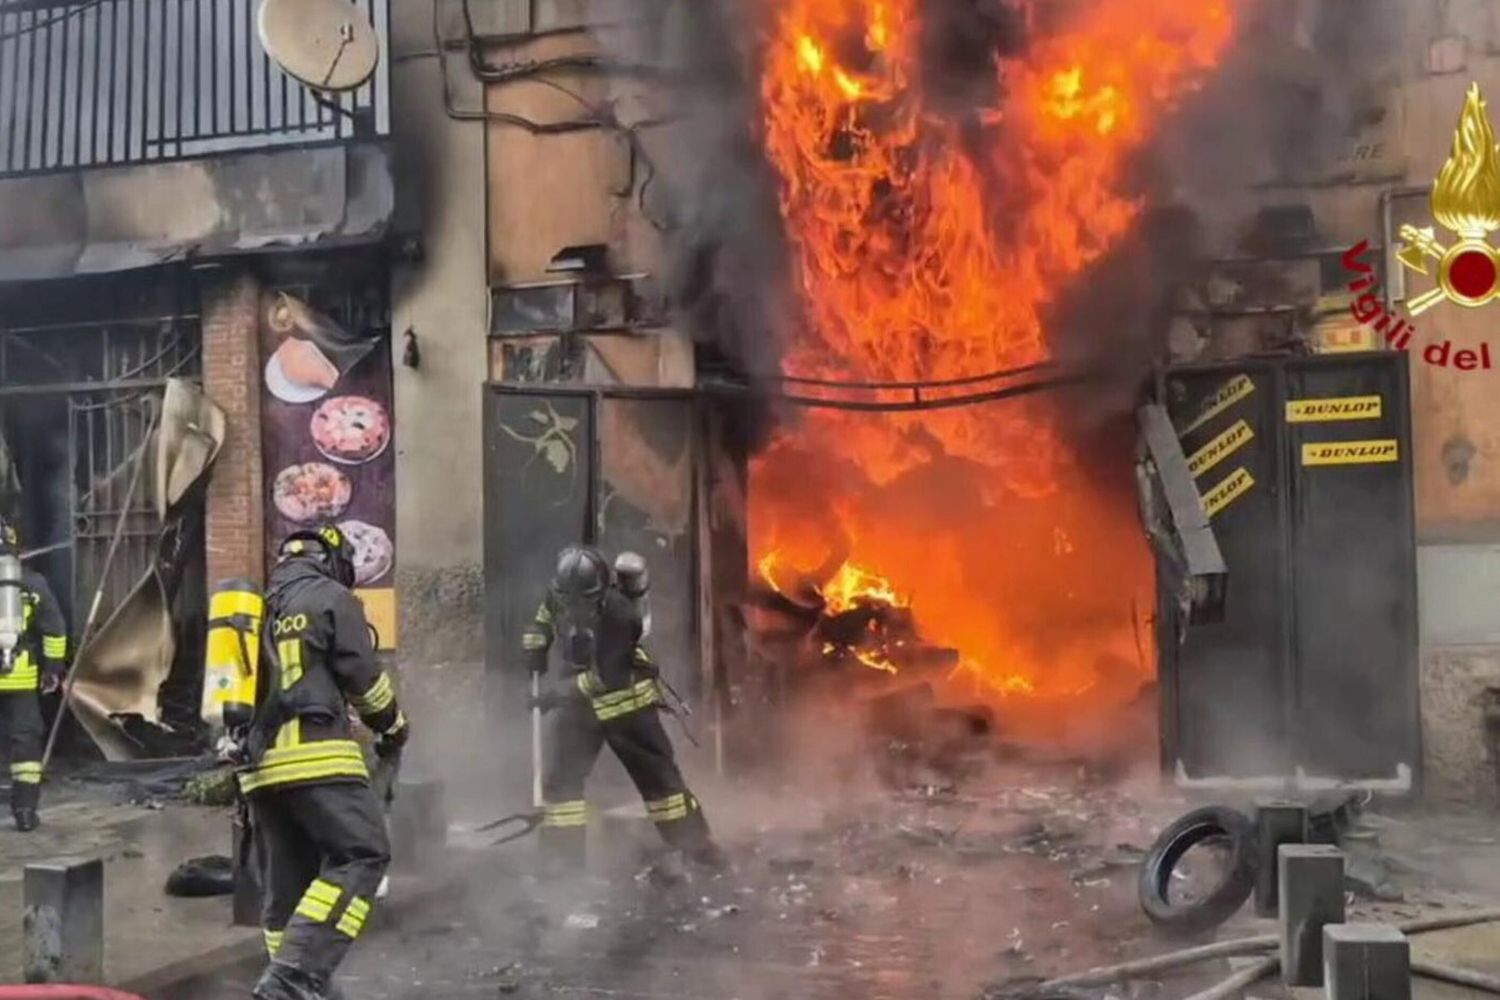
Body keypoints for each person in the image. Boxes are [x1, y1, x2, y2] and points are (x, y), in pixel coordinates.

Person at [242, 525, 409, 1000]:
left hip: (259, 771)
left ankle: (296, 982)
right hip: (317, 757)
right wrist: (393, 727)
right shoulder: (331, 597)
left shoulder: (255, 610)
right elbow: (364, 680)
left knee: (287, 893)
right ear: (333, 560)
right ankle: (292, 980)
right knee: (362, 853)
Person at [523, 544, 725, 870]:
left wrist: (554, 695)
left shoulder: (619, 615)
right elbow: (546, 613)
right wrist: (536, 640)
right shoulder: (563, 592)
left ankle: (697, 848)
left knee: (662, 788)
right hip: (580, 709)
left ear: (601, 593)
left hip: (626, 708)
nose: (575, 607)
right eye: (568, 599)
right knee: (561, 783)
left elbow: (605, 679)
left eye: (583, 601)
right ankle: (562, 867)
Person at [0, 518, 67, 832]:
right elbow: (54, 628)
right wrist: (54, 668)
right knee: (25, 745)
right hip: (20, 678)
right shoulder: (33, 583)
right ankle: (25, 811)